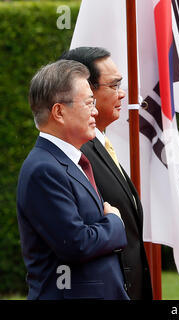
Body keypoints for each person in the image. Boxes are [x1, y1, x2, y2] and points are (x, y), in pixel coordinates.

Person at [16, 60, 129, 300]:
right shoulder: (43, 169)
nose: (95, 112)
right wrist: (115, 223)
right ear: (59, 112)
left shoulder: (67, 162)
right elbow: (76, 244)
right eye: (89, 103)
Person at [60, 47, 153, 300]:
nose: (122, 94)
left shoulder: (99, 143)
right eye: (114, 86)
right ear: (85, 90)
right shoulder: (76, 153)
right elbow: (78, 240)